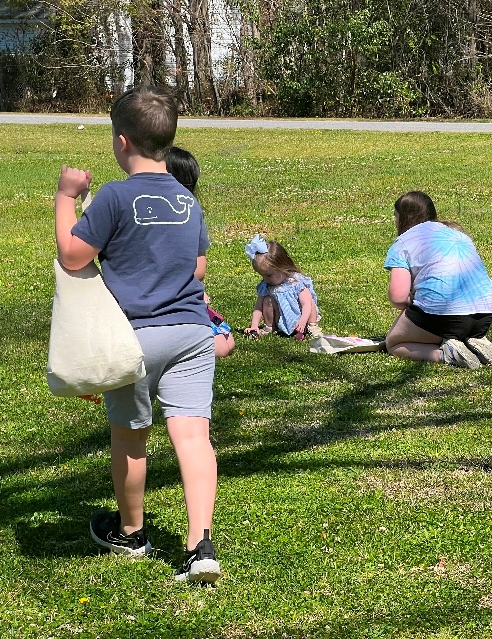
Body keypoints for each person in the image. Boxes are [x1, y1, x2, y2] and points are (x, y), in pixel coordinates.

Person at [54, 86, 221, 583]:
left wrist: (65, 197)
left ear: (121, 141)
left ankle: (131, 532)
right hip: (193, 332)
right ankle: (200, 545)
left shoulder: (115, 195)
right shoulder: (188, 200)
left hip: (136, 339)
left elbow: (73, 256)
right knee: (194, 437)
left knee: (131, 438)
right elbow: (198, 268)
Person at [383, 191, 492, 368]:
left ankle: (446, 354)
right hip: (484, 314)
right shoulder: (457, 234)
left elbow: (398, 298)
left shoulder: (403, 242)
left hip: (441, 315)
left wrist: (416, 304)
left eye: (395, 216)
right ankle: (475, 341)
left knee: (394, 343)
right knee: (457, 326)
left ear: (403, 217)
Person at [165, 146, 235, 358]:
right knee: (221, 346)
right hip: (166, 303)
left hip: (184, 294)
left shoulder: (191, 215)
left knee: (227, 342)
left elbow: (199, 268)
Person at [243, 235, 322, 340]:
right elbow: (258, 308)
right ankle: (270, 327)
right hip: (281, 319)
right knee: (267, 300)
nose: (265, 279)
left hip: (302, 318)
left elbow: (306, 305)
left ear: (282, 267)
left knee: (309, 301)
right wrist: (254, 325)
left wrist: (303, 321)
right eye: (262, 275)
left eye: (269, 275)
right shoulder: (267, 285)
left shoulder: (296, 282)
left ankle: (312, 326)